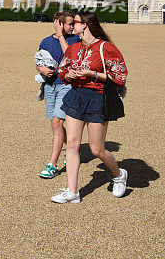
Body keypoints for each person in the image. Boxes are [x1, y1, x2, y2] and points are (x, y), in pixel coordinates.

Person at [51, 11, 128, 204]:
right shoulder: (74, 48)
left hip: (97, 98)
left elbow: (119, 77)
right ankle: (72, 192)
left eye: (74, 23)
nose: (70, 26)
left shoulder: (106, 48)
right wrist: (70, 76)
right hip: (76, 97)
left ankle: (119, 175)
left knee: (96, 149)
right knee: (72, 145)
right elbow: (62, 71)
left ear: (84, 25)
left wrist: (92, 73)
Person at [35, 11, 79, 180]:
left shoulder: (74, 40)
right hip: (50, 85)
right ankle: (73, 149)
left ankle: (52, 164)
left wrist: (61, 36)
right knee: (56, 124)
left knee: (57, 122)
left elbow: (71, 57)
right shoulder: (45, 41)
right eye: (69, 24)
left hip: (66, 85)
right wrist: (41, 70)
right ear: (59, 24)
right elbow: (39, 61)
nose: (72, 26)